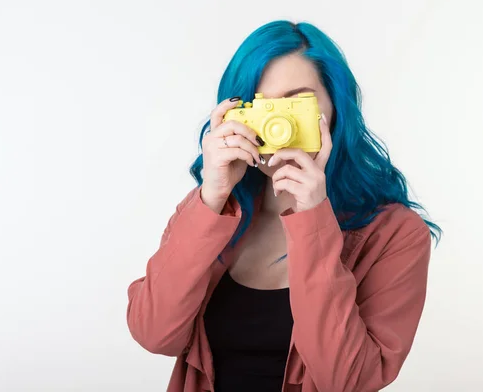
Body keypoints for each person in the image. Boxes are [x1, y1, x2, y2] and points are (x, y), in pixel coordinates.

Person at [126, 20, 442, 392]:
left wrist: (312, 220)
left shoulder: (395, 233)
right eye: (261, 106)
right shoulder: (211, 210)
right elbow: (153, 334)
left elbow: (348, 381)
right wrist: (211, 199)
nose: (278, 124)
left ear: (335, 107)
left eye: (297, 103)